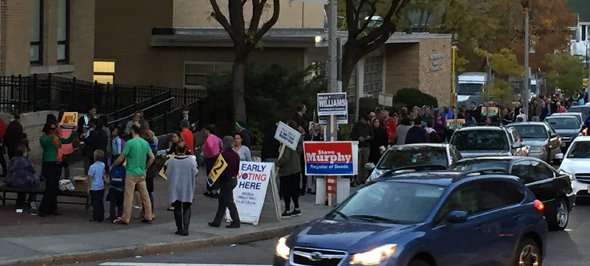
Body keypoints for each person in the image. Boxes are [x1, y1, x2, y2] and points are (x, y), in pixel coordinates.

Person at [112, 125, 155, 225]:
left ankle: (125, 218)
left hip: (131, 173)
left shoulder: (129, 143)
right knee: (145, 196)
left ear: (132, 131)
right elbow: (152, 157)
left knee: (128, 196)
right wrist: (145, 168)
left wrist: (113, 165)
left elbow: (121, 158)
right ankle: (149, 215)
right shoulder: (145, 143)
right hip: (141, 173)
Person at [38, 123, 76, 217]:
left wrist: (73, 134)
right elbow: (45, 143)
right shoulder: (43, 138)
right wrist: (53, 136)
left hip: (57, 162)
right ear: (47, 129)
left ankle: (52, 208)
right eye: (52, 128)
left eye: (55, 129)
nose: (54, 130)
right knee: (50, 185)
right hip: (49, 162)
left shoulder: (57, 138)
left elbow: (67, 140)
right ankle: (43, 208)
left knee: (55, 186)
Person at [208, 136, 241, 228]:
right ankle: (216, 221)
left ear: (224, 144)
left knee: (229, 202)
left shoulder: (223, 155)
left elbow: (219, 169)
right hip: (234, 179)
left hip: (226, 181)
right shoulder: (236, 155)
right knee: (222, 201)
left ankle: (236, 221)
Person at [166, 142, 198, 236]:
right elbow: (195, 172)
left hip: (175, 188)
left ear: (176, 150)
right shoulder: (191, 161)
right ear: (185, 150)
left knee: (177, 208)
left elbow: (167, 173)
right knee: (187, 207)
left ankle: (179, 228)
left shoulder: (171, 161)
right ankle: (186, 229)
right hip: (187, 187)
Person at [276, 121, 303, 217]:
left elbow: (285, 157)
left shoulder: (286, 141)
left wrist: (277, 164)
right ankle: (297, 208)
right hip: (295, 169)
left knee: (286, 190)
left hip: (286, 170)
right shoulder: (296, 140)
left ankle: (287, 210)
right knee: (294, 190)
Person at [5, 144, 39, 212]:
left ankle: (20, 201)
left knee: (22, 182)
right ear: (24, 152)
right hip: (24, 181)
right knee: (34, 182)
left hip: (13, 181)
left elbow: (9, 170)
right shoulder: (27, 160)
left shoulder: (13, 159)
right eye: (26, 152)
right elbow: (33, 170)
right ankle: (31, 201)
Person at [351, 114, 373, 185]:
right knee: (358, 163)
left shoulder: (369, 127)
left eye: (364, 119)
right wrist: (358, 137)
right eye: (362, 119)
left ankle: (365, 177)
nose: (362, 121)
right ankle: (358, 178)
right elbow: (352, 135)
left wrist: (368, 138)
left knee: (365, 162)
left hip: (366, 146)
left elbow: (372, 137)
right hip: (358, 146)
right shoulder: (356, 126)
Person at [202, 124, 222, 198]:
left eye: (205, 130)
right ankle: (214, 189)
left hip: (210, 157)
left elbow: (210, 146)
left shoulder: (209, 138)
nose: (204, 131)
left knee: (210, 173)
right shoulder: (216, 137)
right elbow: (220, 142)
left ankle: (211, 190)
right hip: (215, 156)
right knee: (215, 173)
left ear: (208, 130)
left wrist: (211, 153)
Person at [88, 150, 107, 223]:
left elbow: (90, 178)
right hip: (101, 185)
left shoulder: (92, 167)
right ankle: (101, 216)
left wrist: (88, 187)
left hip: (94, 186)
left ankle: (95, 217)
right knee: (100, 202)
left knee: (95, 202)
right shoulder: (103, 165)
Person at [57, 111, 74, 180]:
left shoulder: (58, 125)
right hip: (69, 148)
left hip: (61, 148)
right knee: (66, 166)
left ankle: (58, 180)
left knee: (59, 166)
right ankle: (67, 180)